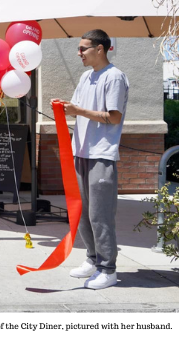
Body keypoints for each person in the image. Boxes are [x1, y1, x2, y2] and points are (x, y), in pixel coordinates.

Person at [52, 29, 128, 290]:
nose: (79, 53)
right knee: (82, 212)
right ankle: (92, 260)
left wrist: (78, 110)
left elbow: (114, 117)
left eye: (84, 48)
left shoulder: (114, 77)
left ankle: (108, 269)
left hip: (101, 155)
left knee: (100, 215)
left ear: (100, 49)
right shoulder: (86, 77)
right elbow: (78, 109)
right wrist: (65, 108)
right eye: (79, 48)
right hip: (81, 152)